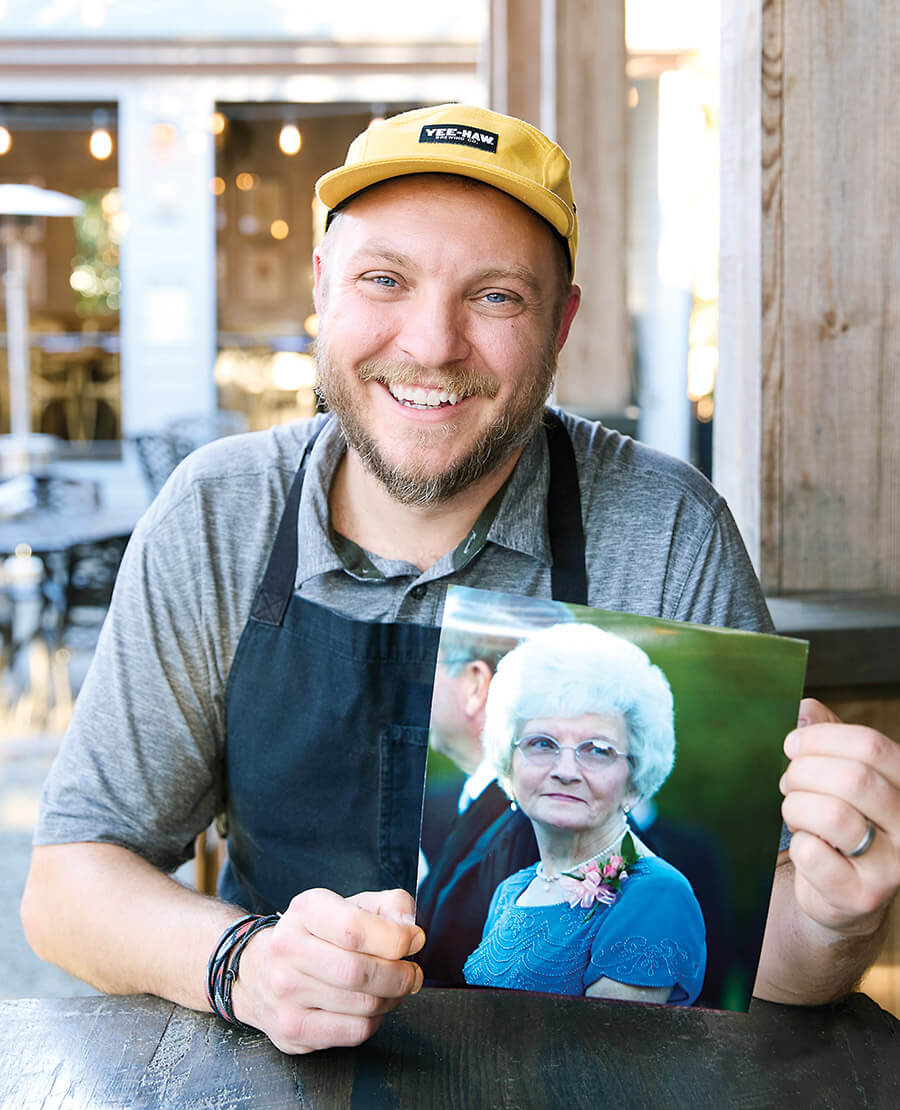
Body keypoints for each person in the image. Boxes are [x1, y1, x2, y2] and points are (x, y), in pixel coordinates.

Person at [20, 104, 899, 1055]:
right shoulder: (218, 513)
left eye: (495, 297)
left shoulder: (668, 529)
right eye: (384, 279)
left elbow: (763, 964)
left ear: (562, 321)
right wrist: (245, 963)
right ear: (324, 288)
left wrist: (836, 921)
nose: (432, 345)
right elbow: (69, 879)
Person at [462, 623, 706, 1003]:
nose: (565, 770)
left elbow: (604, 1059)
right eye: (542, 743)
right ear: (509, 763)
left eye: (596, 749)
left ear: (634, 778)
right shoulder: (511, 890)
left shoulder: (656, 896)